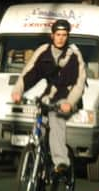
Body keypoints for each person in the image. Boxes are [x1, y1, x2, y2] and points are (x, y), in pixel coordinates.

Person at [11, 19, 87, 179]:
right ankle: (40, 161)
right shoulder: (43, 51)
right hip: (50, 95)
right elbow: (29, 73)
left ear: (68, 36)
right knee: (41, 120)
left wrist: (69, 102)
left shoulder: (74, 54)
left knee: (55, 117)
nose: (61, 38)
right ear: (52, 36)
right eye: (58, 34)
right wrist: (18, 91)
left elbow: (80, 84)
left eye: (64, 35)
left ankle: (61, 163)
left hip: (69, 97)